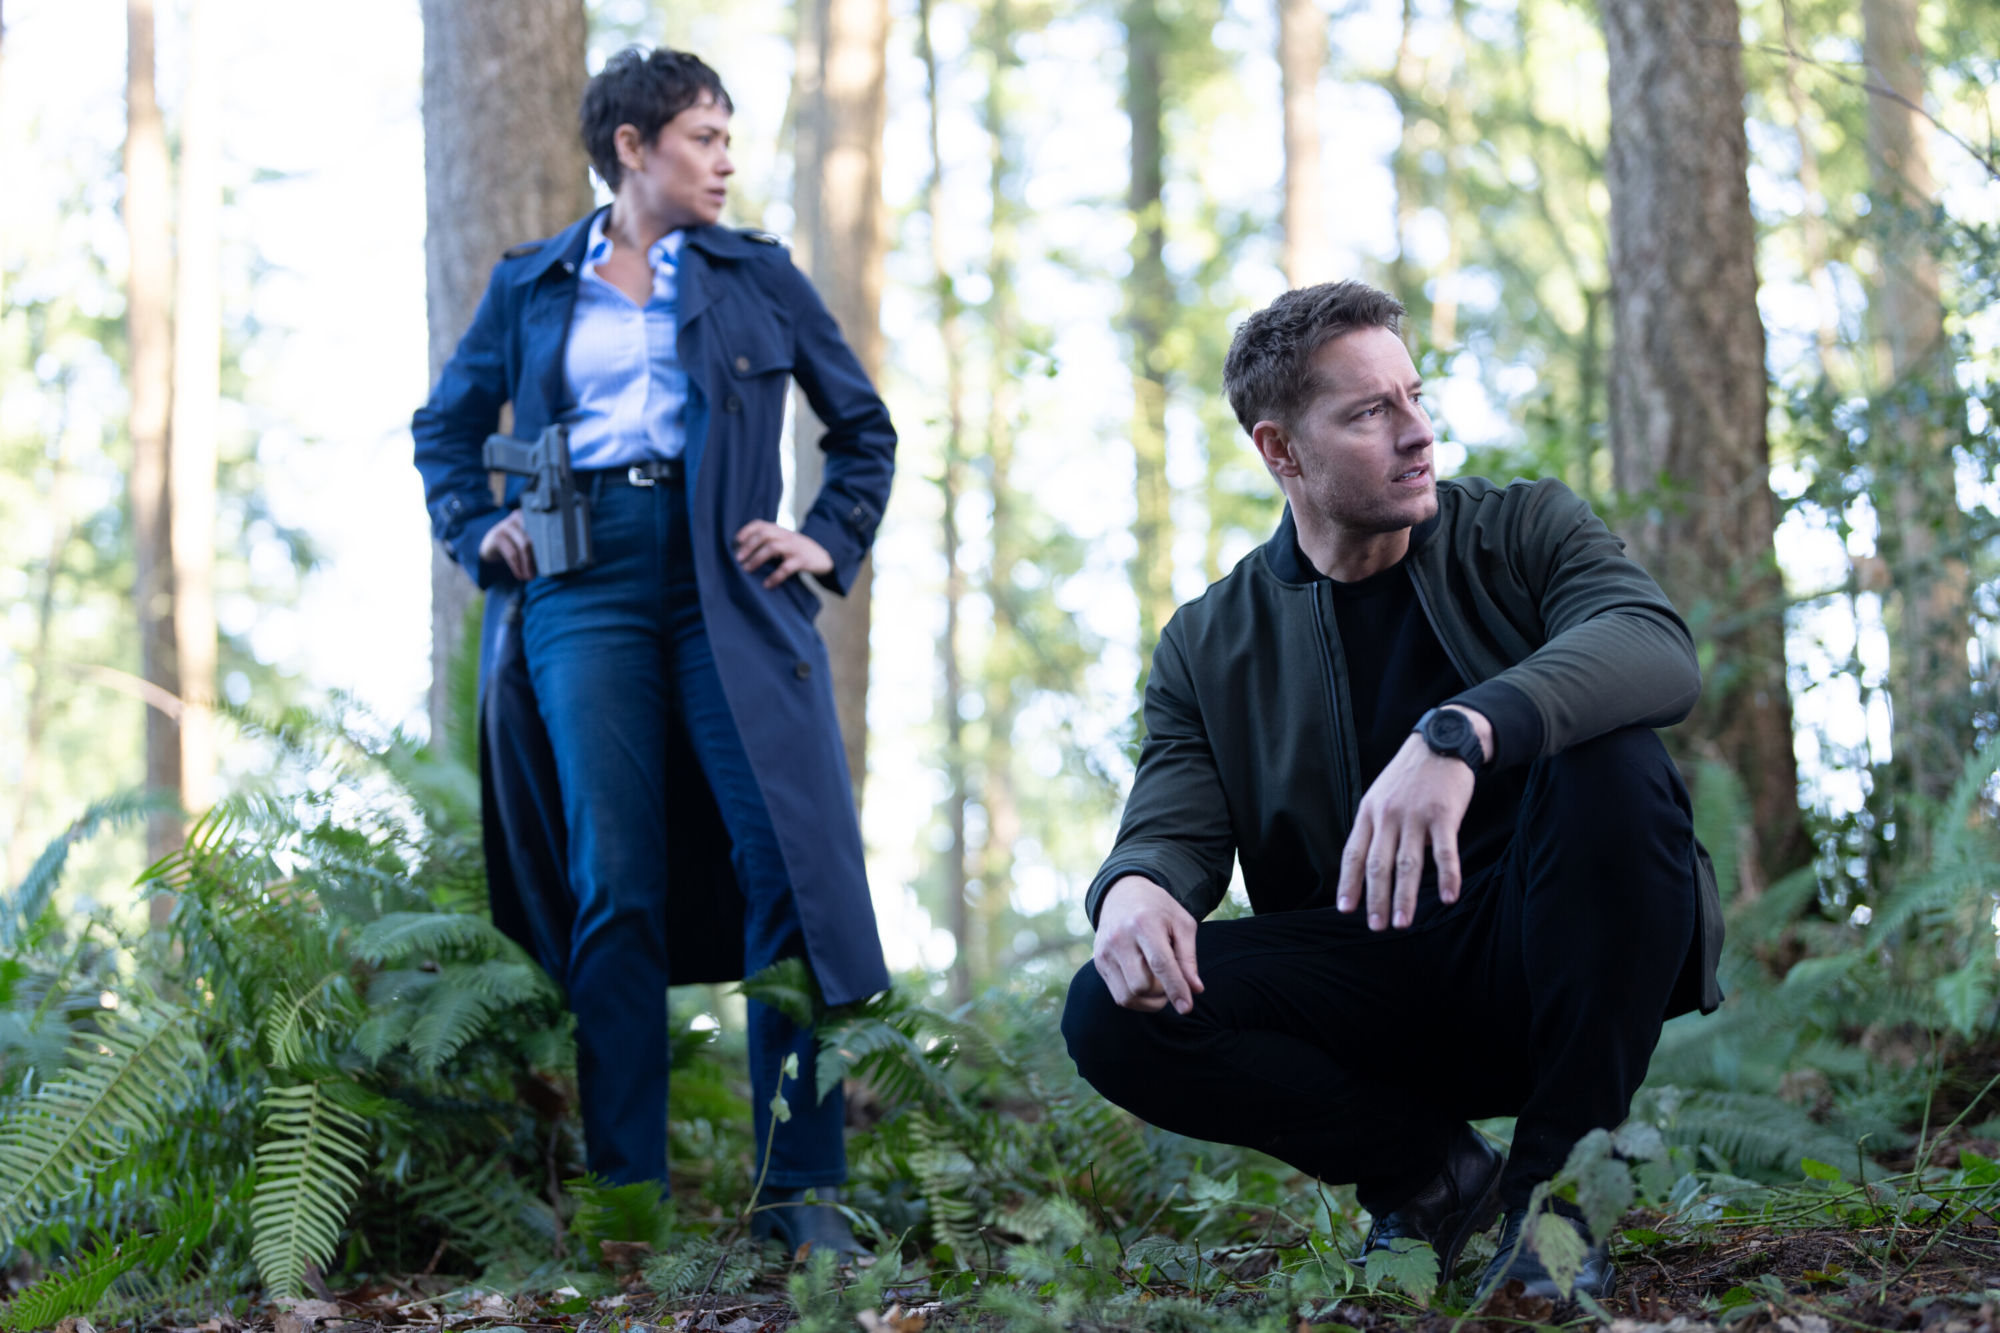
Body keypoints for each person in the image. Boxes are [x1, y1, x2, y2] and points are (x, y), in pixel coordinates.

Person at [1060, 281, 1723, 1300]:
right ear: (1281, 451)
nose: (1417, 433)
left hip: (1548, 955)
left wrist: (1460, 732)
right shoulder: (1207, 641)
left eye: (1414, 397)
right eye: (1370, 412)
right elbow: (1171, 822)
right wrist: (1135, 888)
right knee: (1109, 1006)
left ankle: (1554, 1209)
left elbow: (1653, 647)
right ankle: (1429, 1176)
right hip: (1371, 987)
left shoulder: (1523, 528)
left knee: (1613, 755)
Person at [411, 48, 895, 1254]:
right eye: (702, 138)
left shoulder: (756, 275)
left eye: (728, 139)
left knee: (782, 863)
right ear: (631, 148)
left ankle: (801, 1195)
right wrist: (477, 529)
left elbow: (861, 428)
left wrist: (824, 537)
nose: (725, 161)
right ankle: (629, 1202)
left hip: (726, 578)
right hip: (578, 582)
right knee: (612, 881)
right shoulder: (531, 282)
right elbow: (445, 427)